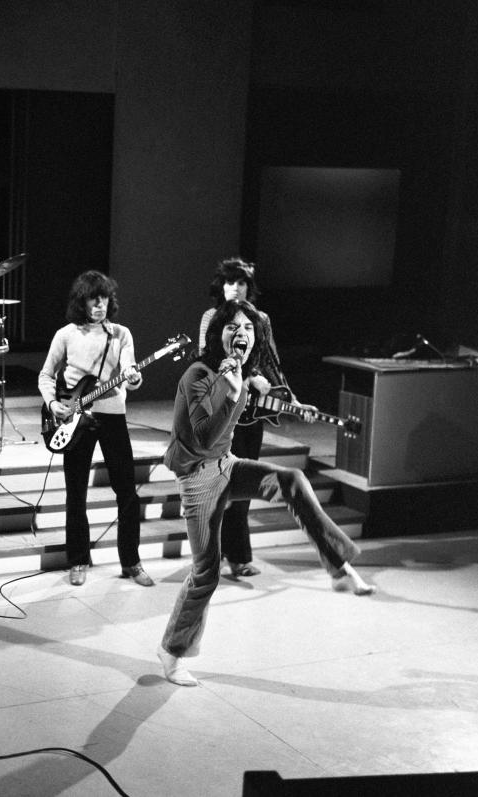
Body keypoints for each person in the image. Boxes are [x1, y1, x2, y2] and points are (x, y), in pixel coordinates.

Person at [158, 299, 373, 687]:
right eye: (232, 327)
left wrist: (297, 408)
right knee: (206, 573)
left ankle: (338, 565)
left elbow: (259, 404)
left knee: (290, 480)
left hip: (226, 466)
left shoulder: (243, 373)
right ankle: (172, 652)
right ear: (216, 333)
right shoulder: (198, 374)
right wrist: (230, 385)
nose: (241, 333)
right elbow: (205, 435)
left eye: (248, 328)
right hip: (196, 479)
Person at [198, 257, 313, 578]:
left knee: (244, 483)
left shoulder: (261, 319)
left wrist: (292, 399)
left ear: (250, 287)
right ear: (220, 286)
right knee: (218, 484)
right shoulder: (212, 318)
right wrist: (247, 376)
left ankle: (239, 556)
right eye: (229, 282)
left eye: (241, 282)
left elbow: (272, 362)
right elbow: (208, 360)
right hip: (221, 411)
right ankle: (211, 555)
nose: (235, 288)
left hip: (250, 414)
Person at [38, 270, 153, 588]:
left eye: (104, 298)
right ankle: (77, 560)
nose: (100, 304)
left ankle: (131, 562)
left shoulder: (121, 334)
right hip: (76, 421)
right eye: (93, 298)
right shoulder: (66, 335)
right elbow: (46, 375)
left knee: (127, 490)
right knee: (76, 493)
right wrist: (53, 404)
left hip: (113, 416)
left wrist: (133, 375)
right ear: (82, 302)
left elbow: (130, 365)